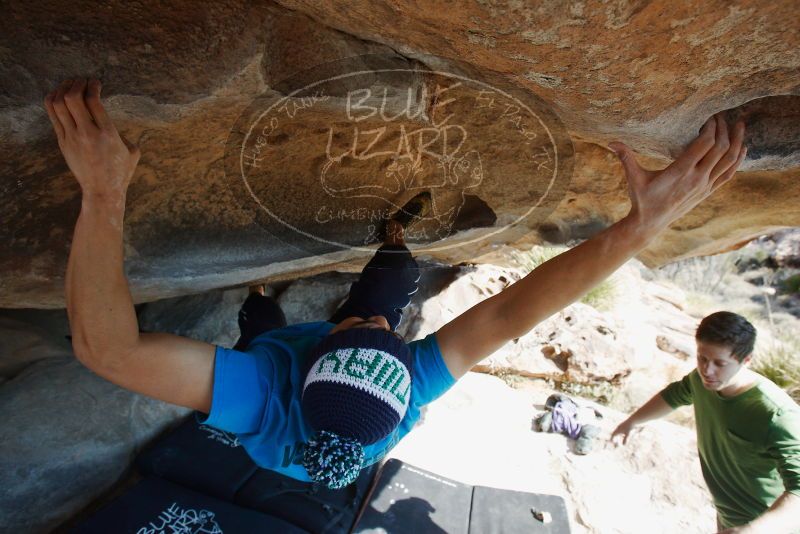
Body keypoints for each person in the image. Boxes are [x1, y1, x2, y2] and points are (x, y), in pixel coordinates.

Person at [45, 76, 747, 491]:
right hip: (338, 378)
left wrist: (104, 195)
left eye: (361, 331)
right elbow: (510, 316)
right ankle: (390, 237)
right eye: (390, 339)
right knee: (390, 284)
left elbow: (106, 350)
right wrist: (635, 232)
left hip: (280, 372)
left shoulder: (264, 393)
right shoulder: (406, 385)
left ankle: (260, 300)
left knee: (259, 329)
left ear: (311, 363)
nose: (384, 327)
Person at [612, 312, 800, 533]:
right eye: (702, 358)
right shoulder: (702, 381)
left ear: (746, 360)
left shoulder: (777, 415)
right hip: (728, 518)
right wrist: (631, 422)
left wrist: (752, 530)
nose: (707, 371)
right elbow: (675, 395)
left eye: (720, 363)